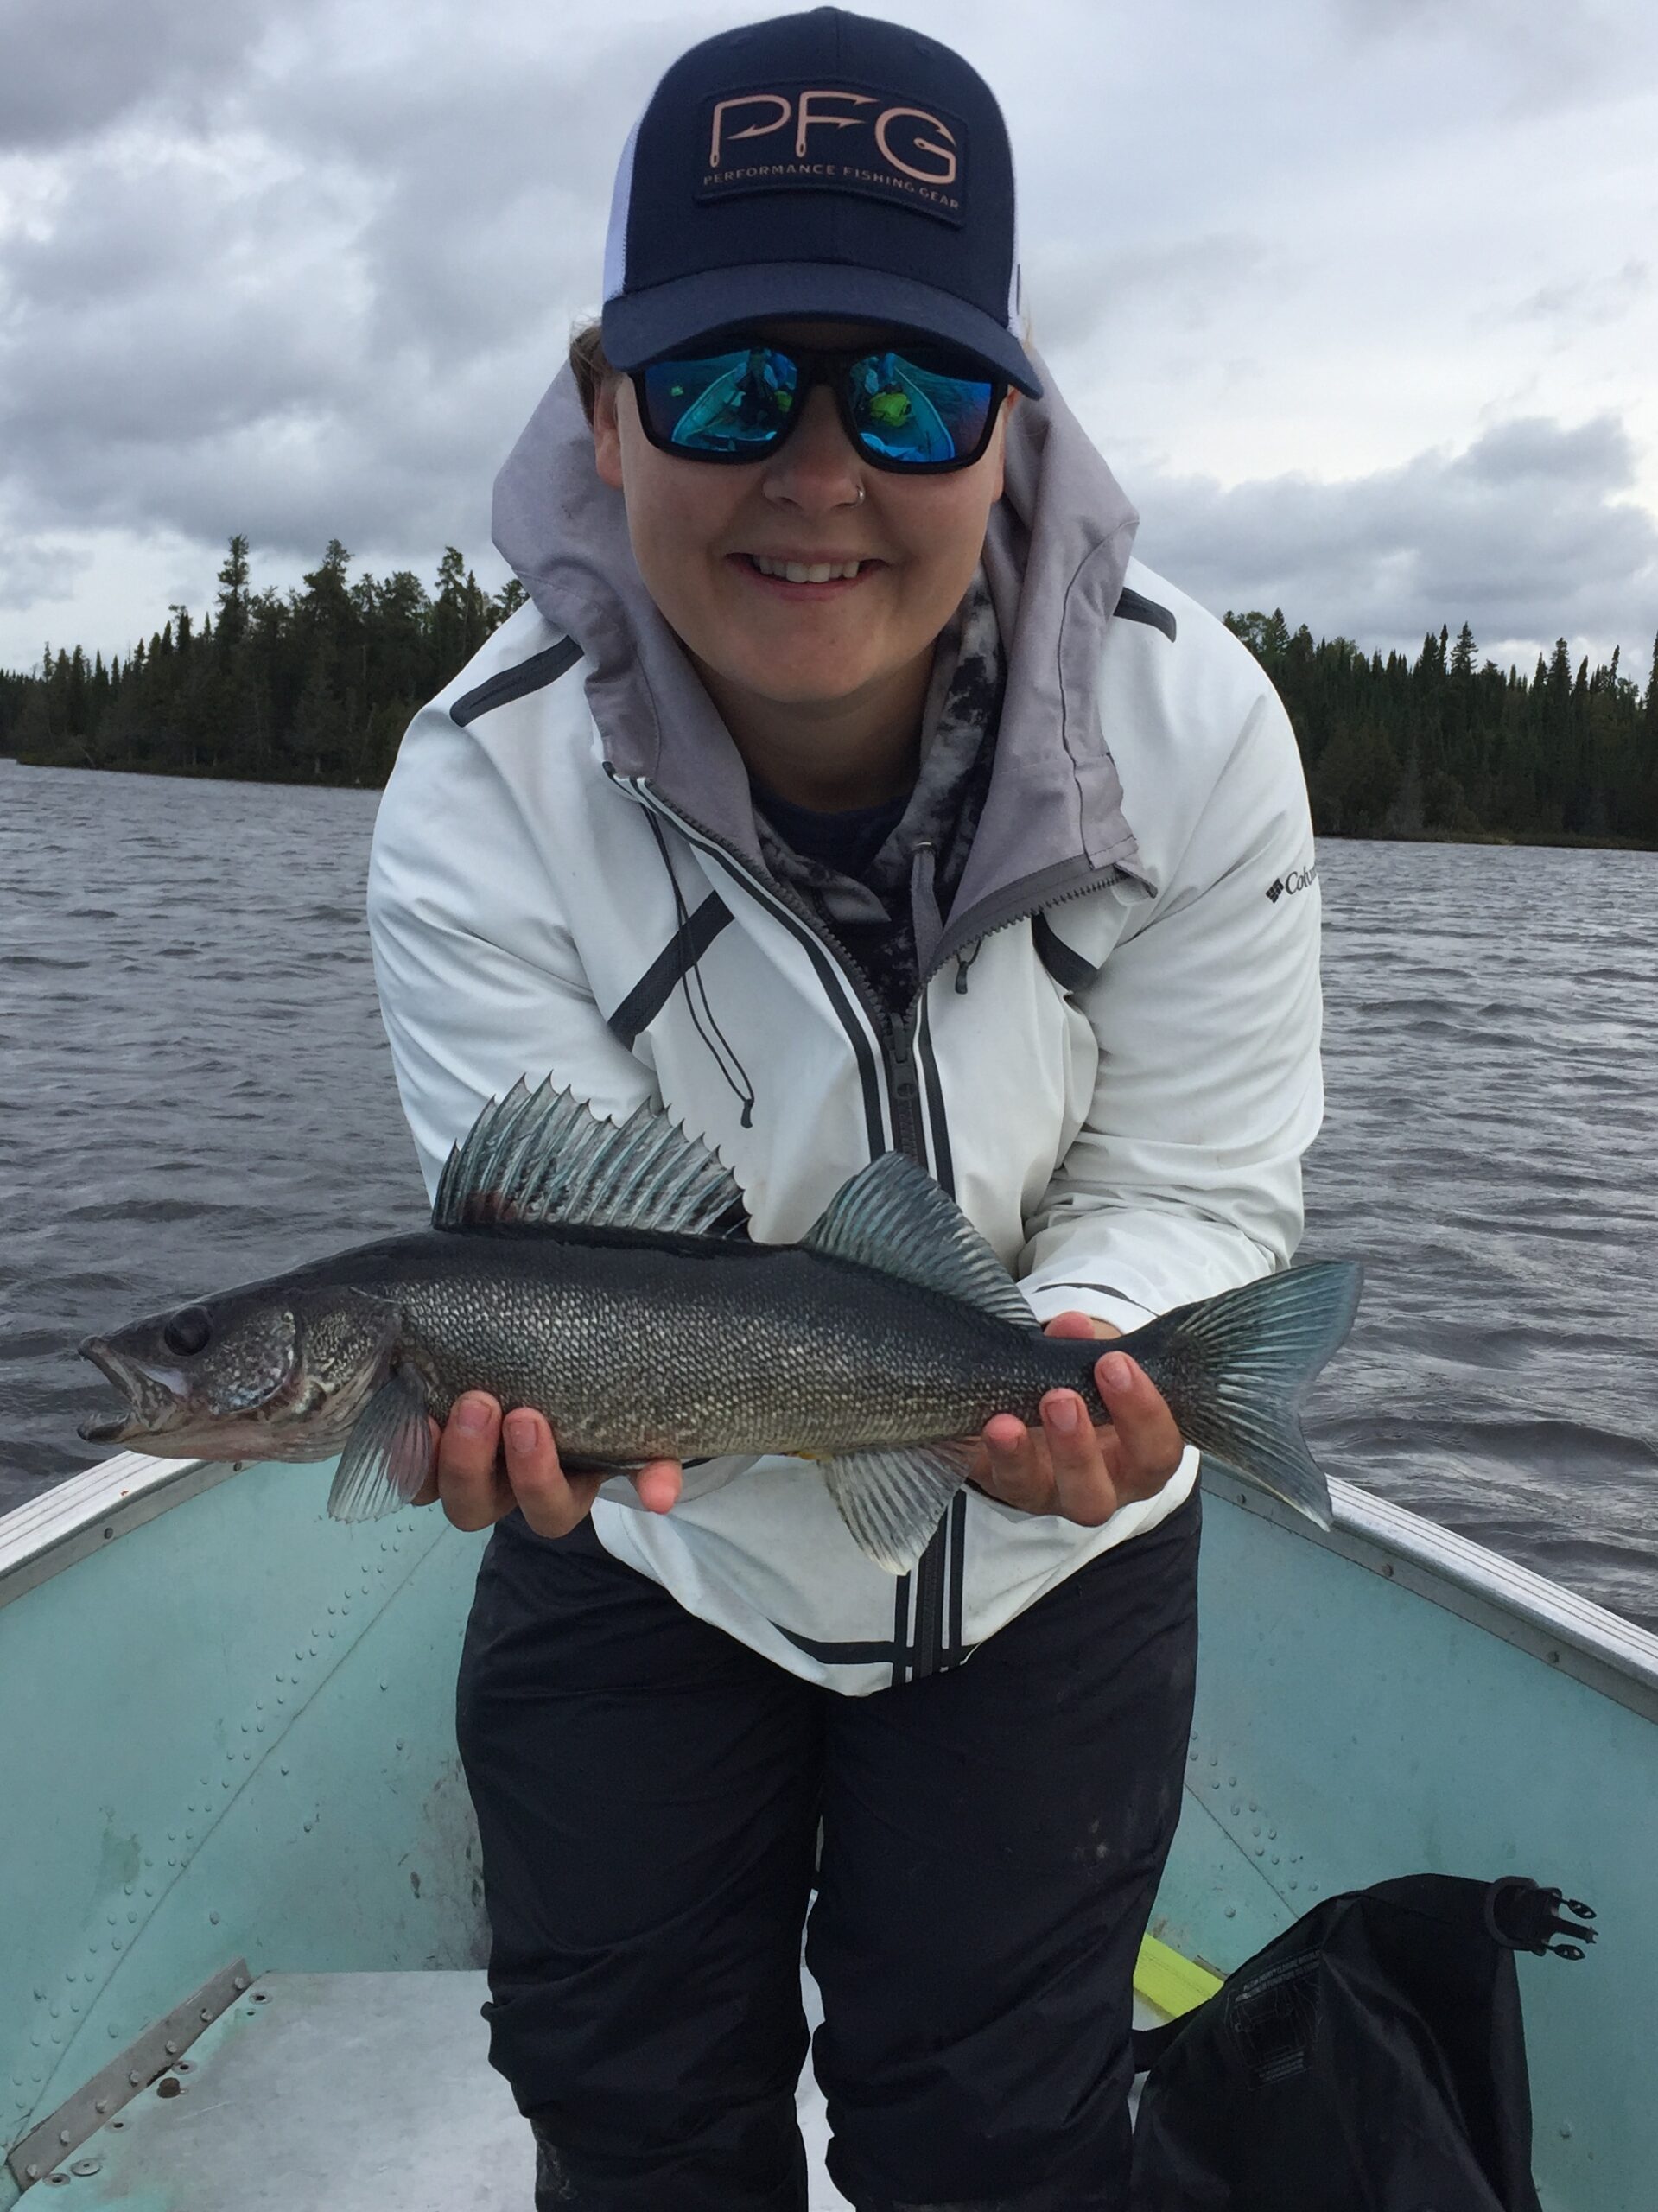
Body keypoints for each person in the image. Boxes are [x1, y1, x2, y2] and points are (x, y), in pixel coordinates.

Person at [366, 9, 1323, 2207]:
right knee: (631, 2115)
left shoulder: (1198, 728)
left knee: (995, 2139)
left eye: (902, 391)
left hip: (1050, 1554)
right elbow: (564, 1250)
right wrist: (559, 1417)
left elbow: (1198, 1173)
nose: (818, 472)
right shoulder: (472, 783)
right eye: (724, 389)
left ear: (1010, 423)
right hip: (641, 1549)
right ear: (606, 418)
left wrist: (1085, 1347)